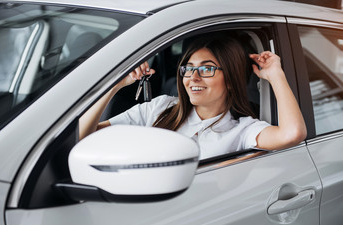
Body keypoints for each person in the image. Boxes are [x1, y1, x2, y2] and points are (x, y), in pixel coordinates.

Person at [79, 35, 307, 159]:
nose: (193, 77)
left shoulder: (242, 130)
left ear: (230, 79)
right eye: (188, 68)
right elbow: (83, 137)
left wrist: (275, 75)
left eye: (207, 69)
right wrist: (114, 85)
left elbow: (292, 134)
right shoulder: (160, 107)